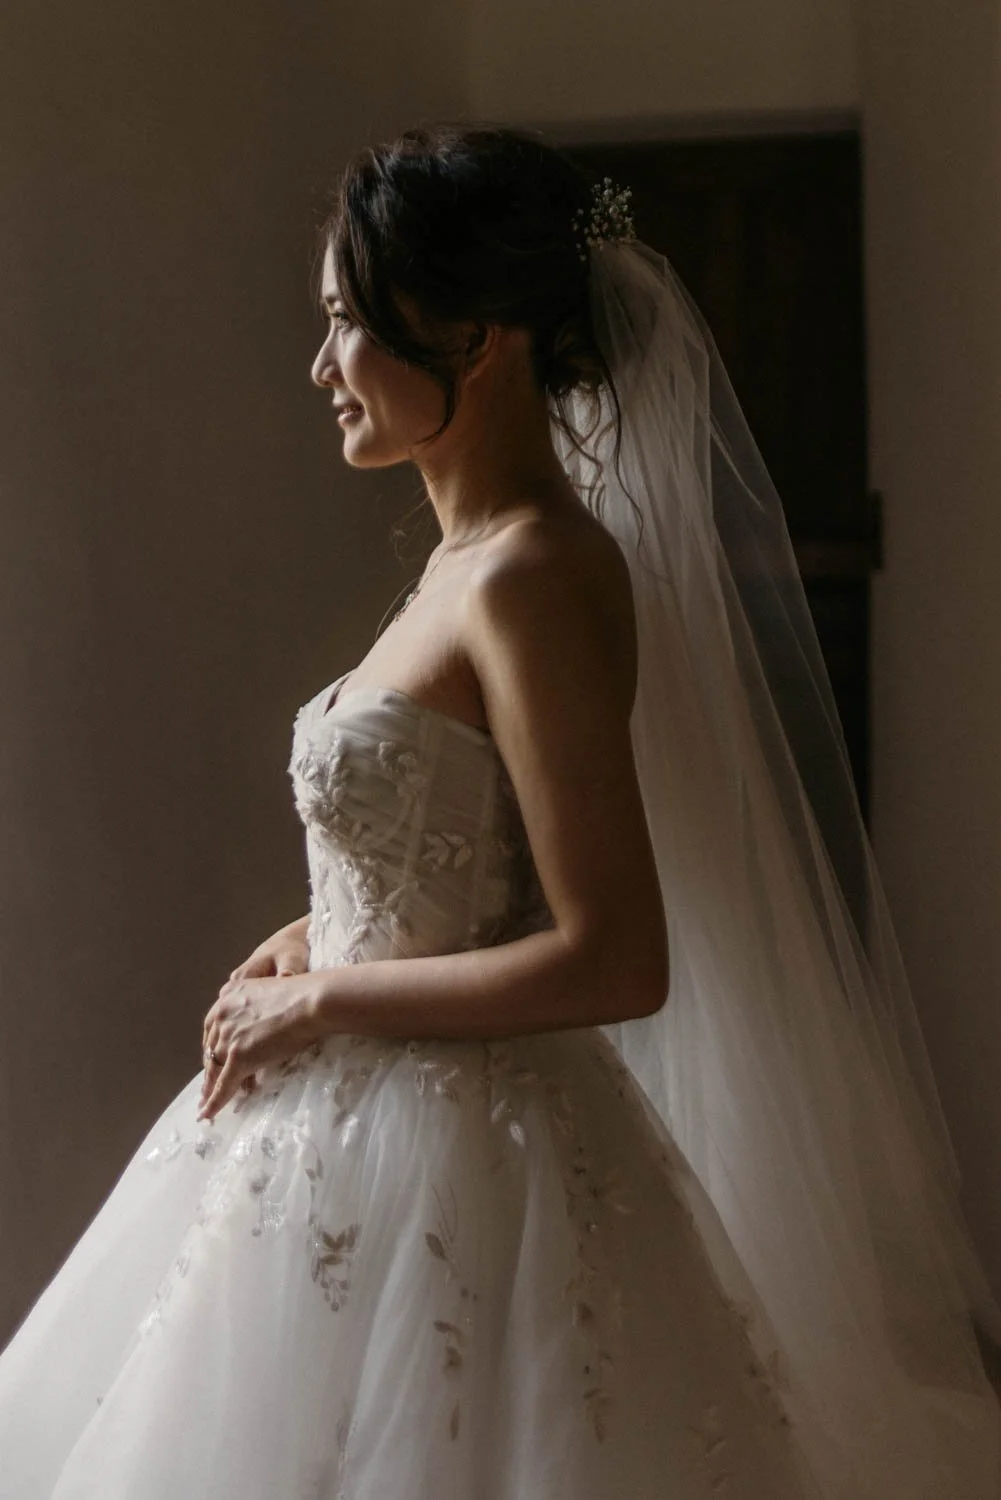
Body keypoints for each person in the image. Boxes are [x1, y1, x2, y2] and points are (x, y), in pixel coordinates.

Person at [0, 121, 997, 1498]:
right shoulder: (460, 568)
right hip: (349, 1138)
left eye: (349, 324)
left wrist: (326, 1002)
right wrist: (318, 933)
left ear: (473, 338)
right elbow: (472, 855)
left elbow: (614, 954)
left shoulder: (534, 573)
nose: (321, 367)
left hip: (463, 1172)